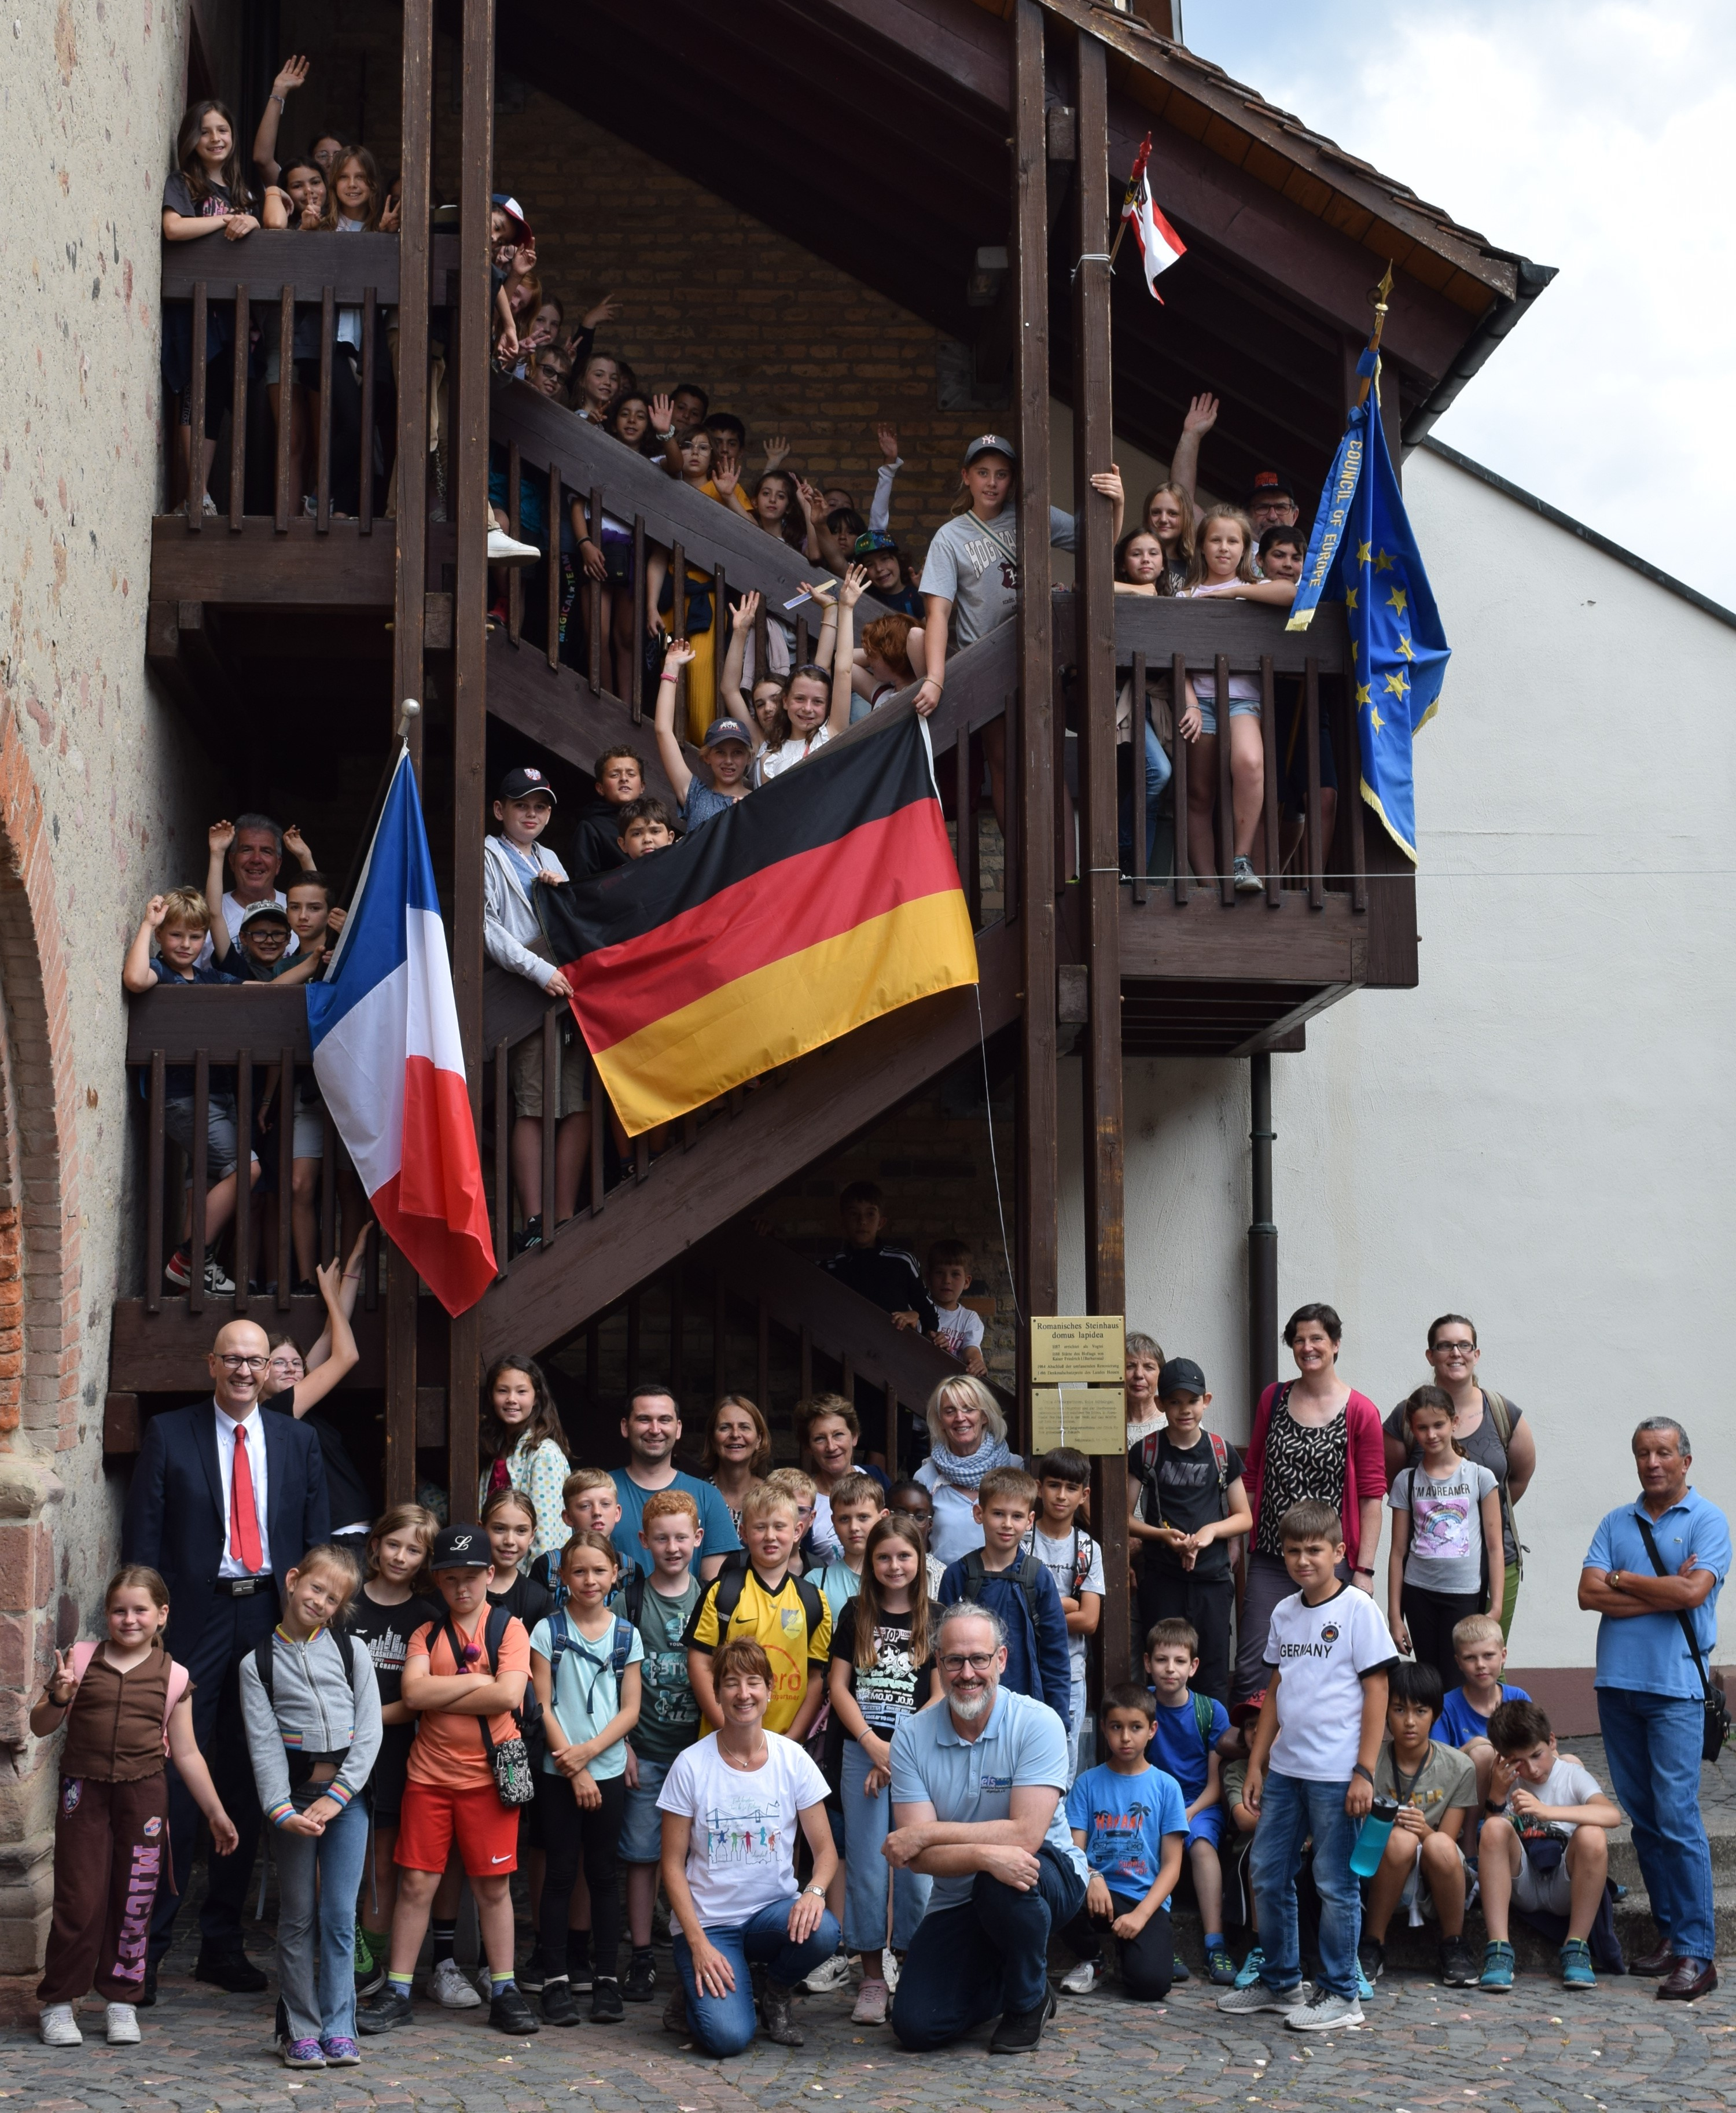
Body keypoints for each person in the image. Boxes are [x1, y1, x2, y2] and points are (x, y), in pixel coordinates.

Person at [120, 1319, 330, 1998]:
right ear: (211, 1363)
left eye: (257, 1360)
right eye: (233, 1359)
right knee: (175, 1773)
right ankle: (147, 1952)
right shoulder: (170, 1433)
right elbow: (143, 1536)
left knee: (250, 1772)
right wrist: (149, 1630)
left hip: (269, 1617)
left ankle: (221, 1942)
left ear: (273, 1368)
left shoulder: (300, 1440)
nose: (245, 1371)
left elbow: (315, 1541)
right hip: (194, 1616)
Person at [32, 1566, 236, 2050]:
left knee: (135, 1901)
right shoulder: (80, 1660)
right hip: (83, 1796)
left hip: (144, 1801)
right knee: (78, 1901)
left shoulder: (175, 1677)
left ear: (161, 1615)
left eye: (140, 1610)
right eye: (119, 1610)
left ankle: (122, 2003)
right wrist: (59, 1697)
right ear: (107, 1615)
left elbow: (186, 1753)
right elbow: (41, 1727)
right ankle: (59, 2004)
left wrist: (216, 1811)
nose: (129, 1619)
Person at [1216, 1500, 1397, 2033]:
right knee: (1269, 1874)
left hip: (1337, 1775)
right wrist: (1257, 1762)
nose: (1302, 1560)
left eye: (1314, 1550)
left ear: (1340, 1553)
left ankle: (1342, 1992)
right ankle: (1280, 1980)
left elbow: (1378, 1690)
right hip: (1287, 1773)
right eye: (1293, 1550)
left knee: (1335, 1882)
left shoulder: (1359, 1610)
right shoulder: (1284, 1612)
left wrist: (1365, 1771)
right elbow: (1276, 1690)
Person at [356, 1523, 539, 2038]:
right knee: (416, 1882)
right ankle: (397, 1989)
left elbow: (507, 1698)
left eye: (471, 1577)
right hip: (429, 1777)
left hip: (489, 1776)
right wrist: (476, 1682)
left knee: (493, 1887)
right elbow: (412, 1695)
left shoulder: (509, 1629)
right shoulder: (427, 1633)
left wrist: (454, 1689)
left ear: (489, 1575)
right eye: (451, 1578)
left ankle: (504, 1990)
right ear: (437, 1581)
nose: (462, 1588)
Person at [885, 1603, 1087, 2052]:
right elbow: (917, 1860)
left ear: (1002, 1660)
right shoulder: (911, 1736)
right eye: (954, 1660)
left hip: (1047, 1874)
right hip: (956, 1894)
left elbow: (1025, 1837)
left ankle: (1029, 2000)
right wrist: (979, 1855)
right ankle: (1010, 1973)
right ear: (937, 1663)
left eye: (979, 1659)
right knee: (916, 2026)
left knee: (1003, 1881)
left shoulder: (1038, 1723)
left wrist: (931, 1832)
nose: (967, 1673)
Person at [1577, 1416, 1730, 2000]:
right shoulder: (1617, 1520)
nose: (1653, 1462)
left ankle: (1697, 1952)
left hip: (1675, 1691)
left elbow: (1694, 1594)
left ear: (1685, 1460)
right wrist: (1654, 1590)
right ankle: (1669, 1933)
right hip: (1617, 1686)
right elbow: (1589, 1593)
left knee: (1678, 1816)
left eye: (1664, 1452)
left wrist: (1623, 1583)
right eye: (1643, 1453)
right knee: (1644, 1816)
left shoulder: (1709, 1519)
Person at [914, 434, 1124, 829]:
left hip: (1039, 656)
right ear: (966, 477)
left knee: (1049, 760)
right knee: (1004, 762)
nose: (992, 482)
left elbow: (1096, 548)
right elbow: (938, 612)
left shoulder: (1033, 515)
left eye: (1002, 474)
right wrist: (936, 677)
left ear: (1013, 480)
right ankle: (1021, 866)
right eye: (982, 473)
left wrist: (1118, 505)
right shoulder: (950, 537)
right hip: (987, 663)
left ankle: (1058, 867)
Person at [657, 1637, 841, 2053]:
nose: (744, 1694)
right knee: (728, 2038)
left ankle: (774, 1992)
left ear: (770, 1690)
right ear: (718, 1693)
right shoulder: (690, 1765)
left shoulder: (793, 1760)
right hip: (710, 1925)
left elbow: (826, 1852)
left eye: (754, 1682)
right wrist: (699, 1945)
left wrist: (814, 1892)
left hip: (769, 1916)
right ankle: (690, 1993)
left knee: (824, 1930)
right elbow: (670, 1866)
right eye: (732, 1683)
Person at [239, 1541, 381, 2070]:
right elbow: (263, 1745)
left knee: (340, 1917)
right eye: (315, 1588)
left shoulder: (352, 1652)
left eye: (333, 1598)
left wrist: (338, 1797)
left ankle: (341, 2028)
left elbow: (368, 1733)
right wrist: (284, 1811)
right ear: (294, 1581)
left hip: (346, 1804)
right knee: (296, 1918)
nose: (321, 1601)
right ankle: (300, 2029)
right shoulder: (257, 1664)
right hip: (293, 1807)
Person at [1234, 1304, 1386, 1706]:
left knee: (1325, 1655)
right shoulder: (1274, 1398)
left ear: (1335, 1344)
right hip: (1271, 1553)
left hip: (1331, 1559)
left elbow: (1372, 1496)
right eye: (1299, 1340)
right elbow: (1251, 1475)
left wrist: (1364, 1570)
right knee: (1255, 1657)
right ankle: (1254, 1755)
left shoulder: (1361, 1412)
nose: (1308, 1347)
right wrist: (1238, 1535)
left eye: (1317, 1338)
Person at [122, 888, 262, 1297]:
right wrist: (147, 925)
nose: (186, 945)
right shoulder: (159, 972)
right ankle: (188, 1259)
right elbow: (134, 979)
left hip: (216, 1097)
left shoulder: (208, 978)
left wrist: (311, 972)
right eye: (176, 936)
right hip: (182, 1096)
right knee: (247, 1170)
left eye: (195, 937)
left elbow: (256, 990)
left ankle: (194, 1272)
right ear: (163, 937)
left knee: (201, 1184)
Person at [827, 1515, 937, 2023]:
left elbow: (937, 1697)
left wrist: (897, 1754)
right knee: (869, 1867)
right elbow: (838, 1688)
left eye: (904, 1556)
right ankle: (872, 1975)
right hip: (862, 1755)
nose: (895, 1566)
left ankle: (918, 1970)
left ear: (920, 1561)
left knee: (918, 1867)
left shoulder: (934, 1618)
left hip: (915, 1758)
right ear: (871, 1563)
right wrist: (873, 1745)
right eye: (885, 1557)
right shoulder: (856, 1614)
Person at [529, 1530, 643, 2024]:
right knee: (558, 1873)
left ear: (615, 1574)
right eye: (579, 1571)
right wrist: (570, 1765)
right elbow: (542, 1703)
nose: (589, 1580)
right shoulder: (546, 1631)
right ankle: (554, 1978)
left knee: (602, 1874)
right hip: (558, 1773)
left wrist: (591, 1756)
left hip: (609, 1769)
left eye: (599, 1570)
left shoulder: (626, 1635)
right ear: (562, 1577)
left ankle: (605, 1979)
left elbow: (631, 1709)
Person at [483, 768, 590, 1252]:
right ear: (499, 810)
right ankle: (533, 1218)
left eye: (540, 806)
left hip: (566, 992)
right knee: (534, 1101)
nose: (531, 814)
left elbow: (574, 916)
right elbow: (486, 929)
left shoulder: (549, 856)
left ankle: (564, 1214)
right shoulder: (487, 853)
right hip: (525, 993)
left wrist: (558, 888)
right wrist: (536, 971)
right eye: (521, 805)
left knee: (575, 1099)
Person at [1384, 1314, 1535, 1640]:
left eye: (1464, 1345)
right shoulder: (1406, 1415)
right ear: (1431, 1355)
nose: (1456, 1353)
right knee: (1441, 1669)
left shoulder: (1502, 1412)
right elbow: (1394, 1482)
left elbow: (1519, 1478)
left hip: (1498, 1559)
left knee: (1487, 1661)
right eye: (1445, 1346)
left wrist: (1478, 1518)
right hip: (1430, 1570)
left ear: (1476, 1354)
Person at [348, 1505, 441, 2003]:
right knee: (336, 1863)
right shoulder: (345, 1607)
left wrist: (367, 1721)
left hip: (393, 1754)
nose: (401, 1556)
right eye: (393, 1544)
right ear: (375, 1545)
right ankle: (344, 1949)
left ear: (426, 1559)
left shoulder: (425, 1619)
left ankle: (372, 1961)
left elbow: (418, 1700)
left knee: (382, 1867)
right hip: (337, 1753)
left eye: (414, 1549)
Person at [620, 1490, 705, 2004]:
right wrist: (622, 1745)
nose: (672, 1547)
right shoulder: (628, 1601)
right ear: (643, 1541)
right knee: (640, 1856)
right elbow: (608, 1678)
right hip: (646, 1748)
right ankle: (642, 1955)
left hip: (698, 1752)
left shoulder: (715, 1598)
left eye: (681, 1537)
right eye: (661, 1538)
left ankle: (698, 1946)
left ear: (698, 1539)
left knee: (702, 1856)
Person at [1476, 1700, 1623, 1995]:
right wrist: (1497, 1794)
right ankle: (1499, 1950)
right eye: (1517, 1761)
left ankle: (1576, 1947)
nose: (1530, 1769)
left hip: (1566, 1885)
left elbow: (1612, 1816)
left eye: (1536, 1755)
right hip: (1524, 1882)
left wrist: (1548, 1812)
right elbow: (1492, 1841)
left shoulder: (1569, 1775)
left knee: (1592, 1835)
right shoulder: (1507, 1781)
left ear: (1552, 1741)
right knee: (1492, 1827)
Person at [1127, 1357, 1250, 1705]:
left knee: (1210, 1672)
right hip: (1163, 1579)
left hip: (1211, 1578)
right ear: (1160, 1403)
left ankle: (1211, 1756)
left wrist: (1211, 1531)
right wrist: (1163, 1536)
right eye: (1175, 1402)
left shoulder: (1220, 1452)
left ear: (1206, 1401)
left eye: (1192, 1401)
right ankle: (1163, 1752)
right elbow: (1124, 1519)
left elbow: (1244, 1517)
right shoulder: (1147, 1451)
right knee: (1165, 1671)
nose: (1185, 1410)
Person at [1057, 1684, 1187, 2001]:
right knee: (1054, 1886)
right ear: (1103, 1728)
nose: (1125, 1738)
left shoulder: (1167, 1788)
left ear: (1152, 1730)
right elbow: (1074, 1850)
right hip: (1096, 1892)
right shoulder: (1087, 1784)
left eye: (1135, 1728)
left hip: (1144, 1898)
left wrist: (1142, 1915)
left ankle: (1134, 1952)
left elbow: (1172, 1867)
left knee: (1150, 1986)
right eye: (1116, 1727)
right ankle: (1094, 1958)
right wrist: (1093, 1877)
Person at [1355, 1659, 1478, 1989]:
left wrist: (1423, 1828)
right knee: (1399, 1840)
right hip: (1379, 1865)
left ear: (1436, 1714)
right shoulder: (1369, 1761)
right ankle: (1372, 1945)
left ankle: (1454, 1944)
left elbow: (1447, 1843)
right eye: (1398, 1710)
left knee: (1435, 1843)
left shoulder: (1459, 1766)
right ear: (1384, 1714)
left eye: (1421, 1711)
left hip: (1437, 1868)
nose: (1409, 1722)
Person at [161, 102, 259, 513]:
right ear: (192, 139)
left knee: (215, 397)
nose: (216, 138)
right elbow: (174, 227)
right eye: (206, 131)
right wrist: (225, 222)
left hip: (230, 314)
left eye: (223, 129)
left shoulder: (241, 193)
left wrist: (250, 220)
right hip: (193, 309)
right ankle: (196, 494)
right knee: (192, 393)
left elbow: (264, 228)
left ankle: (197, 494)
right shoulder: (183, 183)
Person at [1176, 506, 1275, 894]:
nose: (1223, 548)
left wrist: (1234, 592)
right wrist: (1190, 703)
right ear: (1201, 547)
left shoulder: (1257, 592)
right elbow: (1176, 658)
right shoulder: (1185, 596)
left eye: (1233, 541)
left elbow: (1295, 592)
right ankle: (1206, 883)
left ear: (1246, 549)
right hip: (1199, 698)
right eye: (1215, 539)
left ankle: (1240, 861)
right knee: (1200, 792)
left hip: (1242, 701)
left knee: (1250, 763)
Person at [685, 1483, 832, 1738]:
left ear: (798, 1531)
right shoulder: (723, 1593)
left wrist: (792, 1740)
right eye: (760, 1527)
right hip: (723, 1741)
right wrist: (728, 1729)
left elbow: (817, 1677)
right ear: (743, 1532)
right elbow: (699, 1662)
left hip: (785, 1746)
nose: (770, 1536)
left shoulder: (813, 1600)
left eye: (779, 1527)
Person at [1386, 1385, 1505, 1696]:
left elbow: (1494, 1546)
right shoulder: (1406, 1481)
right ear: (1413, 1431)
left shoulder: (1480, 1477)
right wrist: (1395, 1616)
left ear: (1454, 1423)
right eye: (1422, 1428)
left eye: (1439, 1425)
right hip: (1419, 1593)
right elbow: (1398, 1552)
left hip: (1464, 1594)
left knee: (1457, 1681)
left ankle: (1460, 1745)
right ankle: (1434, 1743)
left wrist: (1495, 1608)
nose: (1432, 1434)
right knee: (1429, 1681)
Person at [939, 1466, 1072, 1731]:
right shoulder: (958, 1575)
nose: (1007, 1524)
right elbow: (941, 1652)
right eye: (998, 1513)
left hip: (1026, 1713)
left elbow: (1055, 1656)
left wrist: (1058, 1722)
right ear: (979, 1514)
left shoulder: (1038, 1578)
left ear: (1030, 1520)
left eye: (1017, 1516)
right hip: (967, 1711)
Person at [1143, 1617, 1234, 1983]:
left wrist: (1187, 1812)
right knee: (1141, 1845)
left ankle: (1215, 1945)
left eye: (1180, 1661)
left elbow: (1216, 1785)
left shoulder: (1210, 1711)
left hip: (1199, 1804)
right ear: (1148, 1663)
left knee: (1200, 1849)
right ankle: (1159, 1940)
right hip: (1151, 1803)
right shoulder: (1142, 1706)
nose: (1170, 1669)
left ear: (1193, 1666)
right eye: (1162, 1660)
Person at [259, 1247, 369, 1540]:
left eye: (297, 1363)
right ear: (261, 1371)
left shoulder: (295, 1400)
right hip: (338, 1533)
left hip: (350, 1529)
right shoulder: (274, 1410)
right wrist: (328, 1292)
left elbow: (332, 1335)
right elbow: (347, 1356)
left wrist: (354, 1265)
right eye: (279, 1363)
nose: (291, 1369)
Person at [1021, 1449, 1104, 1782]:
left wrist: (1040, 1609)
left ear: (1084, 1495)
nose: (1061, 1495)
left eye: (1071, 1488)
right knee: (1019, 1751)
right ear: (1039, 1488)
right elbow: (1013, 1611)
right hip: (1022, 1666)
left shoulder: (1088, 1549)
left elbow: (1090, 1621)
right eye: (1054, 1485)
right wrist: (1067, 1603)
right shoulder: (1022, 1539)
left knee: (1063, 1762)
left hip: (1070, 1672)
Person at [610, 1384, 741, 1581]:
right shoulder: (600, 1493)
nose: (655, 1430)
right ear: (625, 1427)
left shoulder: (707, 1497)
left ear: (678, 1429)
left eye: (664, 1420)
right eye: (644, 1420)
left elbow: (715, 1588)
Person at [915, 1376, 1019, 1564]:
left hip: (1001, 1587)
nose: (960, 1418)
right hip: (945, 1589)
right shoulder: (926, 1477)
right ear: (940, 1421)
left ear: (985, 1416)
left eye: (969, 1409)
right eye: (949, 1411)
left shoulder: (1013, 1468)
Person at [476, 1354, 571, 1560]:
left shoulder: (544, 1454)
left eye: (521, 1392)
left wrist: (535, 1588)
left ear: (536, 1398)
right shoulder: (495, 1448)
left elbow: (545, 1534)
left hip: (527, 1582)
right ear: (492, 1396)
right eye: (503, 1391)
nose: (512, 1399)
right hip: (494, 1573)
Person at [199, 813, 320, 966]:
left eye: (266, 851)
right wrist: (217, 854)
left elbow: (320, 909)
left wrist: (306, 858)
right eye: (247, 850)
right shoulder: (206, 912)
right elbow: (214, 914)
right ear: (244, 938)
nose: (256, 860)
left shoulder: (296, 909)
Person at [654, 640, 753, 827]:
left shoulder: (760, 800)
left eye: (737, 753)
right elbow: (663, 730)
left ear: (749, 758)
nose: (729, 760)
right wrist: (671, 670)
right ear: (707, 756)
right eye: (720, 752)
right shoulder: (695, 795)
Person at [796, 1394, 890, 1559]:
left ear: (854, 1437)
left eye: (838, 1435)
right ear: (808, 1448)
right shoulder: (804, 1500)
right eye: (820, 1439)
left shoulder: (877, 1478)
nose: (831, 1447)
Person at [1438, 1612, 1532, 1754]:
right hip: (1470, 1774)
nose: (1480, 1665)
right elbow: (1440, 1763)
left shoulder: (1518, 1697)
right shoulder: (1446, 1707)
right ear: (1459, 1663)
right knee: (1483, 1752)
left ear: (1503, 1656)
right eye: (1470, 1658)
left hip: (1517, 1773)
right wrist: (1476, 1745)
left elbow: (1541, 1746)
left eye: (1488, 1655)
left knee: (1570, 1761)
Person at [569, 747, 647, 877]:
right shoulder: (590, 828)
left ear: (642, 787)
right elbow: (584, 883)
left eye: (631, 774)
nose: (624, 779)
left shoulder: (656, 820)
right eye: (615, 775)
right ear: (600, 788)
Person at [703, 1393, 771, 1536]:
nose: (735, 1434)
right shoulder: (698, 1494)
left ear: (759, 1439)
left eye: (744, 1427)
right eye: (725, 1428)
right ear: (713, 1441)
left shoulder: (772, 1496)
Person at [925, 1239, 988, 1376]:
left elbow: (971, 1349)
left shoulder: (969, 1318)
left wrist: (977, 1362)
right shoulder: (919, 1310)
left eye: (955, 1274)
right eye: (940, 1273)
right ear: (928, 1278)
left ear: (966, 1282)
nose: (947, 1280)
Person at [887, 1479, 948, 1600]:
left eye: (919, 1517)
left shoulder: (941, 1573)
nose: (910, 1522)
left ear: (930, 1525)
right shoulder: (874, 1564)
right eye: (901, 1513)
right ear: (886, 1515)